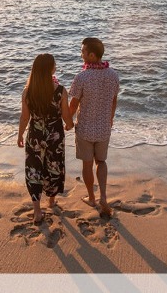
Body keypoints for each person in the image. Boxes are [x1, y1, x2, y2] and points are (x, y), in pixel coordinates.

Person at [18, 53, 73, 224]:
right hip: (54, 135)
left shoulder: (27, 92)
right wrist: (70, 125)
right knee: (54, 166)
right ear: (51, 69)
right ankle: (51, 201)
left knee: (34, 170)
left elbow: (25, 117)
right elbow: (66, 117)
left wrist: (20, 134)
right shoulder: (60, 91)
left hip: (35, 135)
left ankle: (37, 211)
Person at [69, 37, 120, 218]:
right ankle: (103, 197)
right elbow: (114, 100)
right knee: (102, 162)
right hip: (104, 128)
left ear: (91, 55)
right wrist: (110, 118)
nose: (81, 54)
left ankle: (91, 197)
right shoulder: (113, 75)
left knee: (87, 163)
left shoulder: (82, 77)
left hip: (85, 129)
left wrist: (67, 121)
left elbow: (73, 105)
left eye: (83, 51)